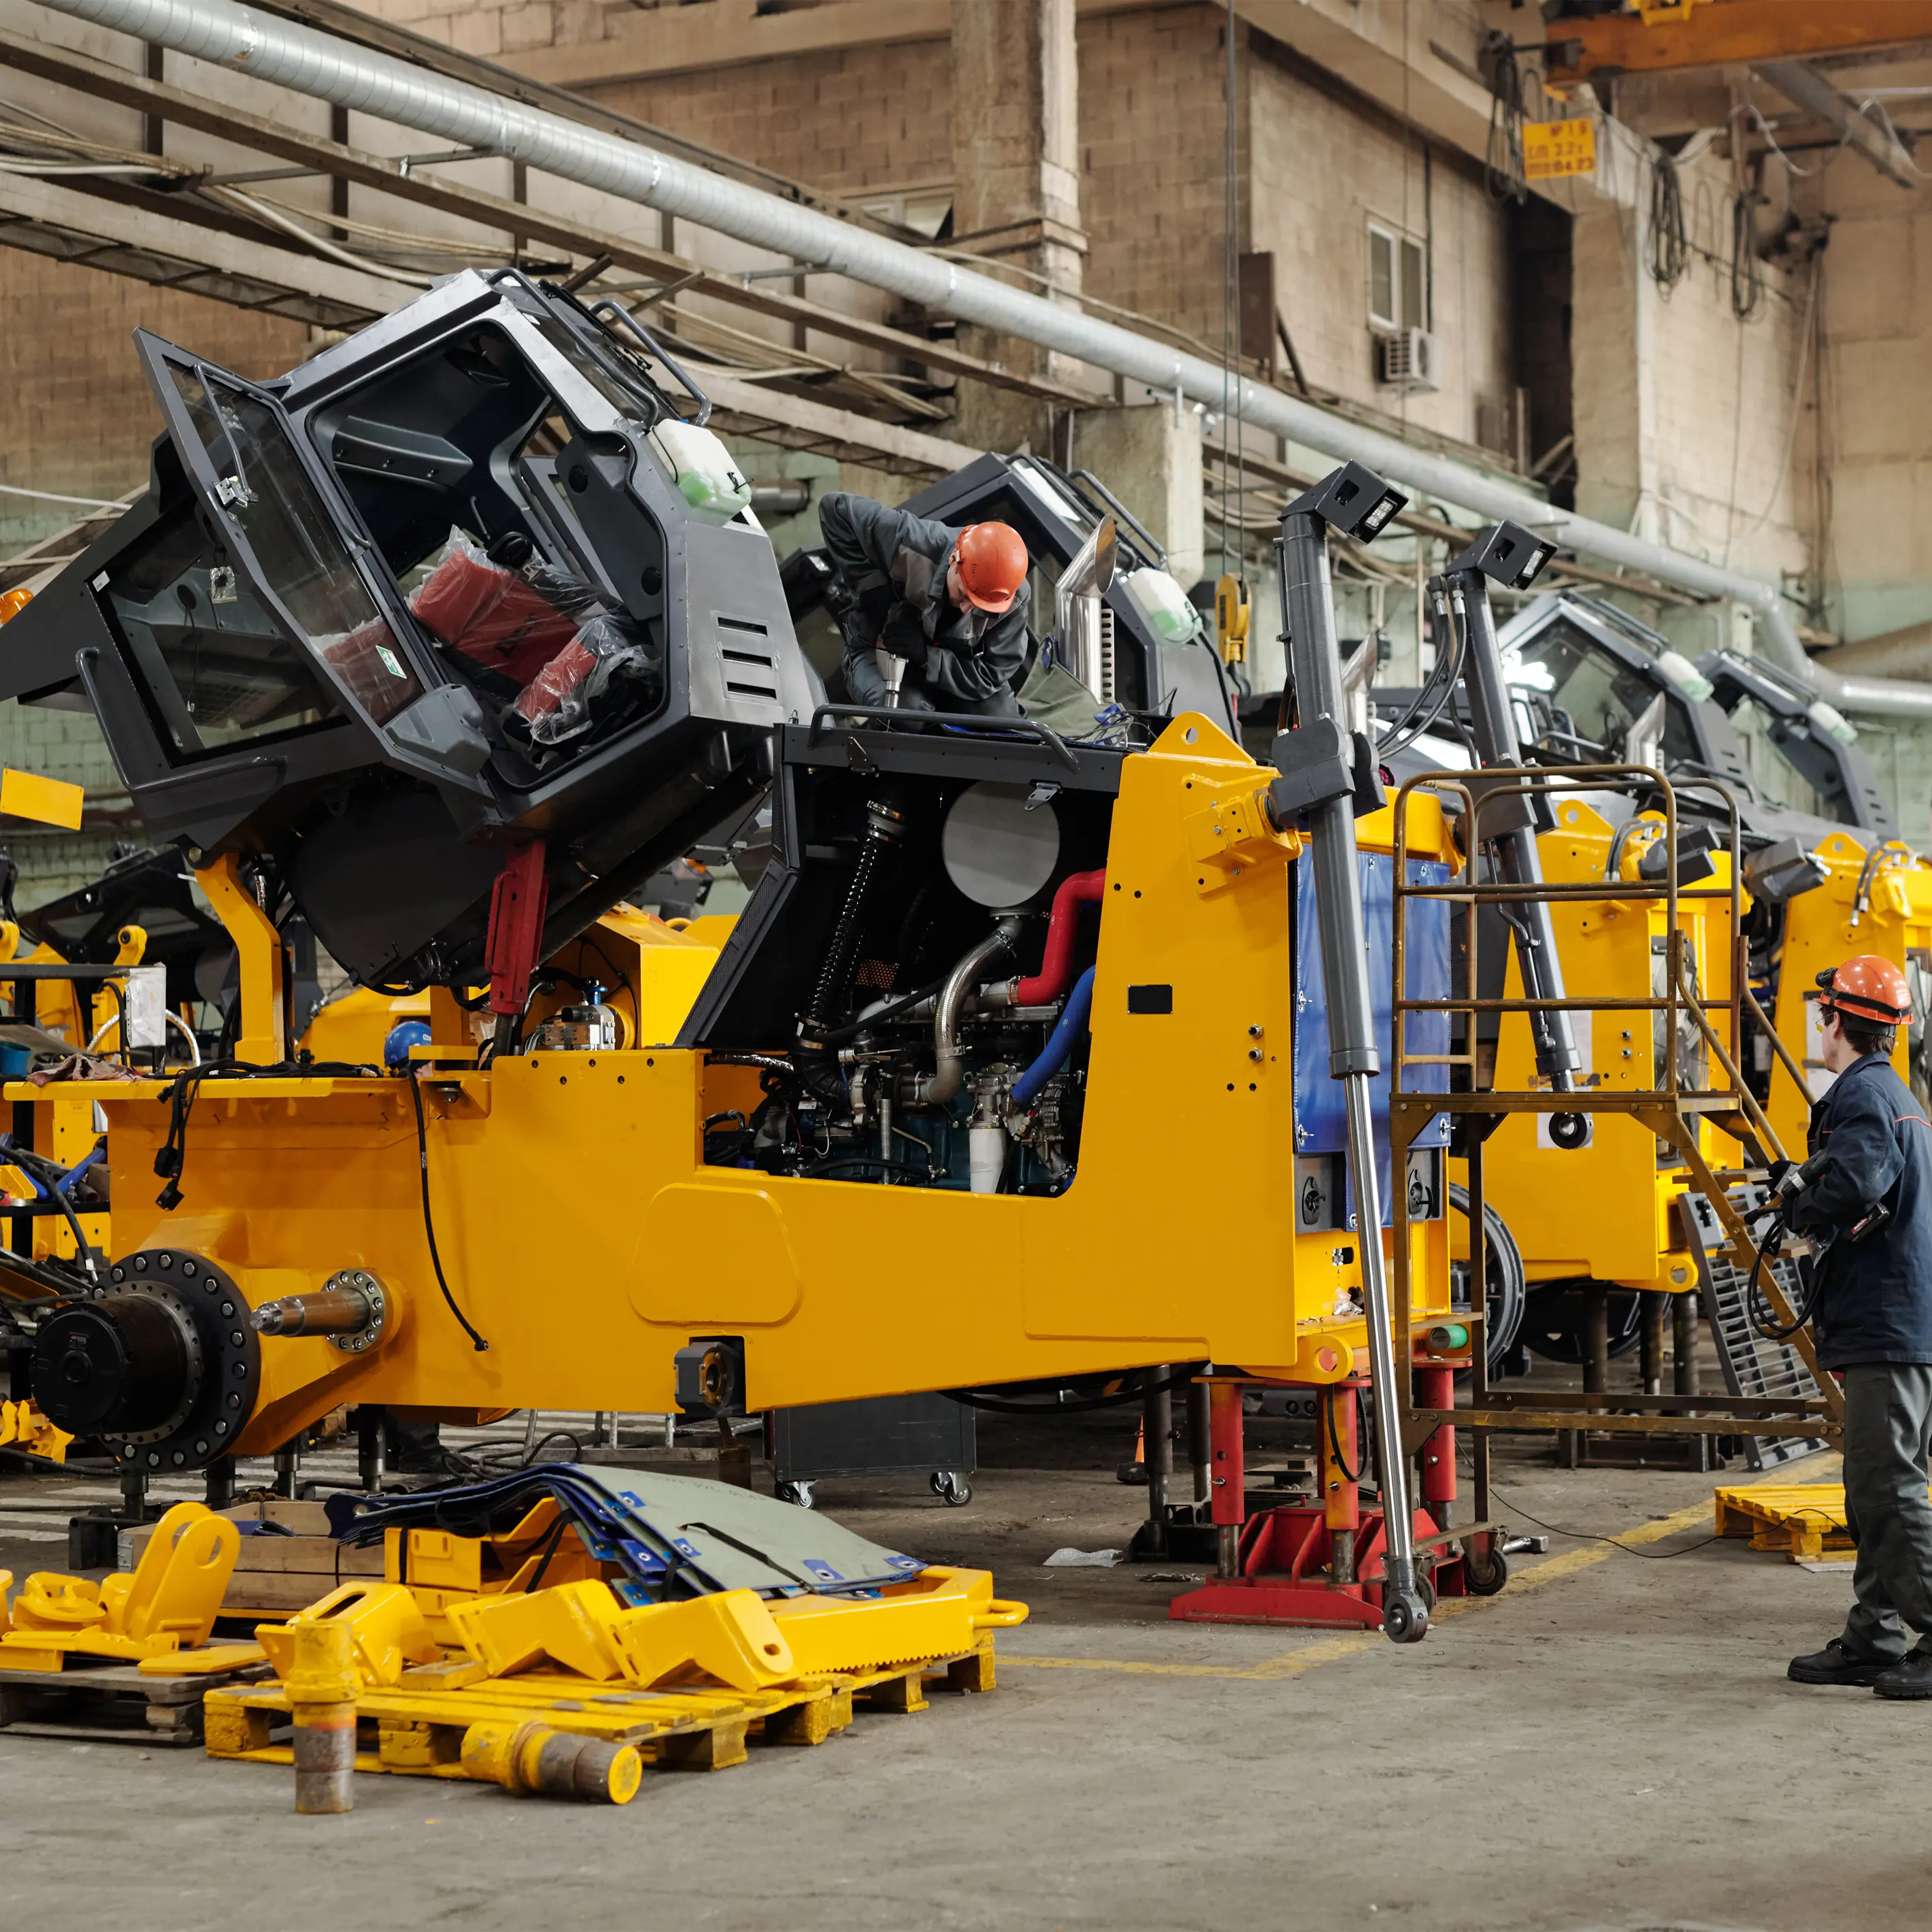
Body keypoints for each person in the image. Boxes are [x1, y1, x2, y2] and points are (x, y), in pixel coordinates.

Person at [1783, 955, 1932, 1698]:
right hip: (1896, 1318)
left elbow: (1855, 1181)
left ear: (1833, 1018)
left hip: (1887, 1323)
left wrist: (1801, 1198)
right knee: (1873, 1483)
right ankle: (1872, 1636)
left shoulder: (1863, 1094)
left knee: (1886, 1487)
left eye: (1821, 1008)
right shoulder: (1894, 1091)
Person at [817, 493, 1031, 716]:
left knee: (1002, 722)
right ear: (954, 561)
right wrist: (876, 593)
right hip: (877, 650)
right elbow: (834, 509)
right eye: (964, 594)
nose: (968, 609)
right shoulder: (912, 542)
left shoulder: (1013, 598)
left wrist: (927, 657)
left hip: (949, 666)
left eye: (982, 605)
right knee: (906, 715)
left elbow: (990, 674)